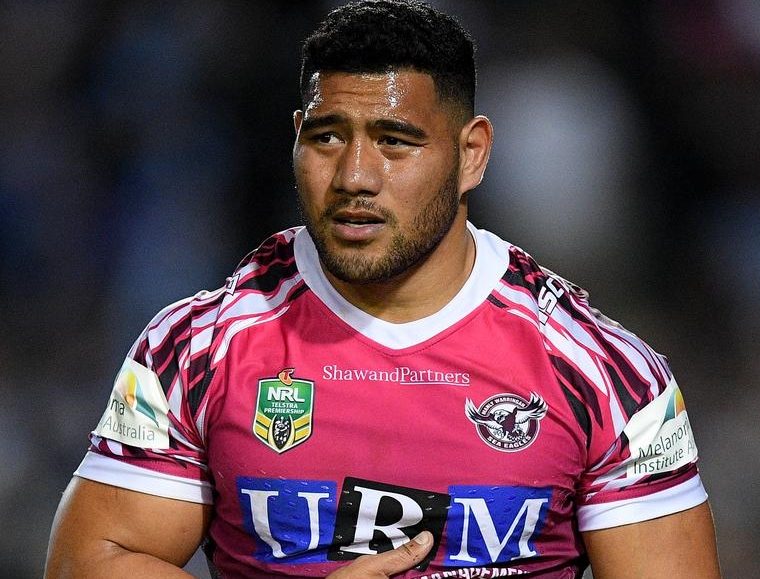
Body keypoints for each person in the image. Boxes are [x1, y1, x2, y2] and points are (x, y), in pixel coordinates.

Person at [45, 1, 722, 577]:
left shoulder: (607, 375)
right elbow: (90, 559)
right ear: (295, 140)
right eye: (327, 137)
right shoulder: (196, 348)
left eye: (395, 142)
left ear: (472, 154)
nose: (354, 176)